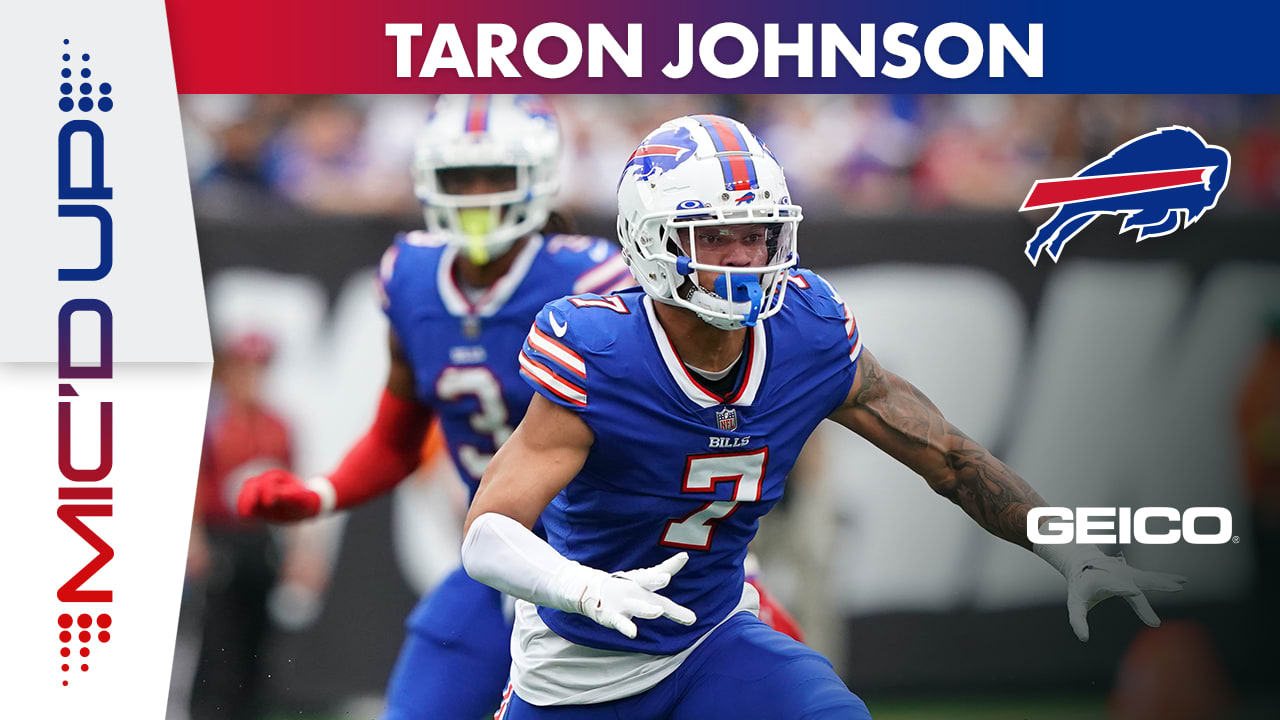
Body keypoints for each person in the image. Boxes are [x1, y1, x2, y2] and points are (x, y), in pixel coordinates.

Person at [460, 114, 1188, 718]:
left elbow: (952, 459)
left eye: (758, 234)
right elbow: (487, 532)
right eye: (715, 236)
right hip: (579, 669)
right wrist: (585, 587)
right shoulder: (603, 349)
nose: (744, 256)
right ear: (652, 241)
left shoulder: (805, 330)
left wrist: (1067, 547)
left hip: (712, 640)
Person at [235, 94, 633, 719]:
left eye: (495, 176)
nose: (476, 194)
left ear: (539, 175)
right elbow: (396, 439)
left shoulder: (595, 281)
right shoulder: (412, 276)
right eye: (459, 177)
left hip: (612, 551)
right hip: (499, 557)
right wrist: (321, 494)